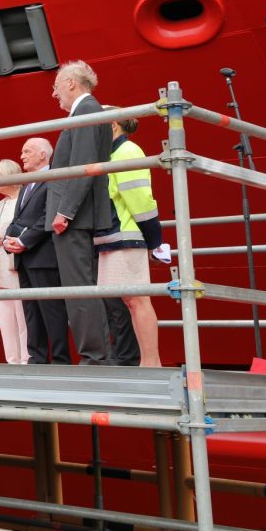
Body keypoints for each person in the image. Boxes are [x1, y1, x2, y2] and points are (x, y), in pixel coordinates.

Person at [47, 60, 113, 364]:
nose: (54, 93)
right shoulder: (89, 111)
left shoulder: (86, 111)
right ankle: (96, 355)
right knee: (81, 287)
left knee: (78, 289)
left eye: (57, 86)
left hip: (74, 217)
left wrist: (65, 212)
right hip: (78, 214)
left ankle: (94, 358)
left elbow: (84, 164)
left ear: (72, 83)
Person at [94, 115, 164, 367]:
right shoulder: (115, 153)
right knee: (131, 301)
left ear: (112, 125)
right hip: (116, 234)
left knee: (137, 300)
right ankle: (149, 363)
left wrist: (155, 240)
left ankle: (151, 364)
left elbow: (140, 199)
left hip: (125, 235)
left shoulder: (127, 151)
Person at [3, 138, 71, 364]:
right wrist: (7, 240)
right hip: (25, 257)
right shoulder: (27, 184)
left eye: (27, 151)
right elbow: (18, 219)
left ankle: (61, 360)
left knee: (52, 311)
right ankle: (37, 357)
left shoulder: (53, 179)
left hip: (44, 256)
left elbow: (48, 215)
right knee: (31, 311)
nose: (21, 156)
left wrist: (23, 241)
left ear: (43, 155)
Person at [0, 160, 29, 365]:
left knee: (23, 320)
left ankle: (26, 362)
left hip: (18, 266)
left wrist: (4, 239)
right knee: (6, 321)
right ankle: (12, 362)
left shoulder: (25, 199)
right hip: (1, 268)